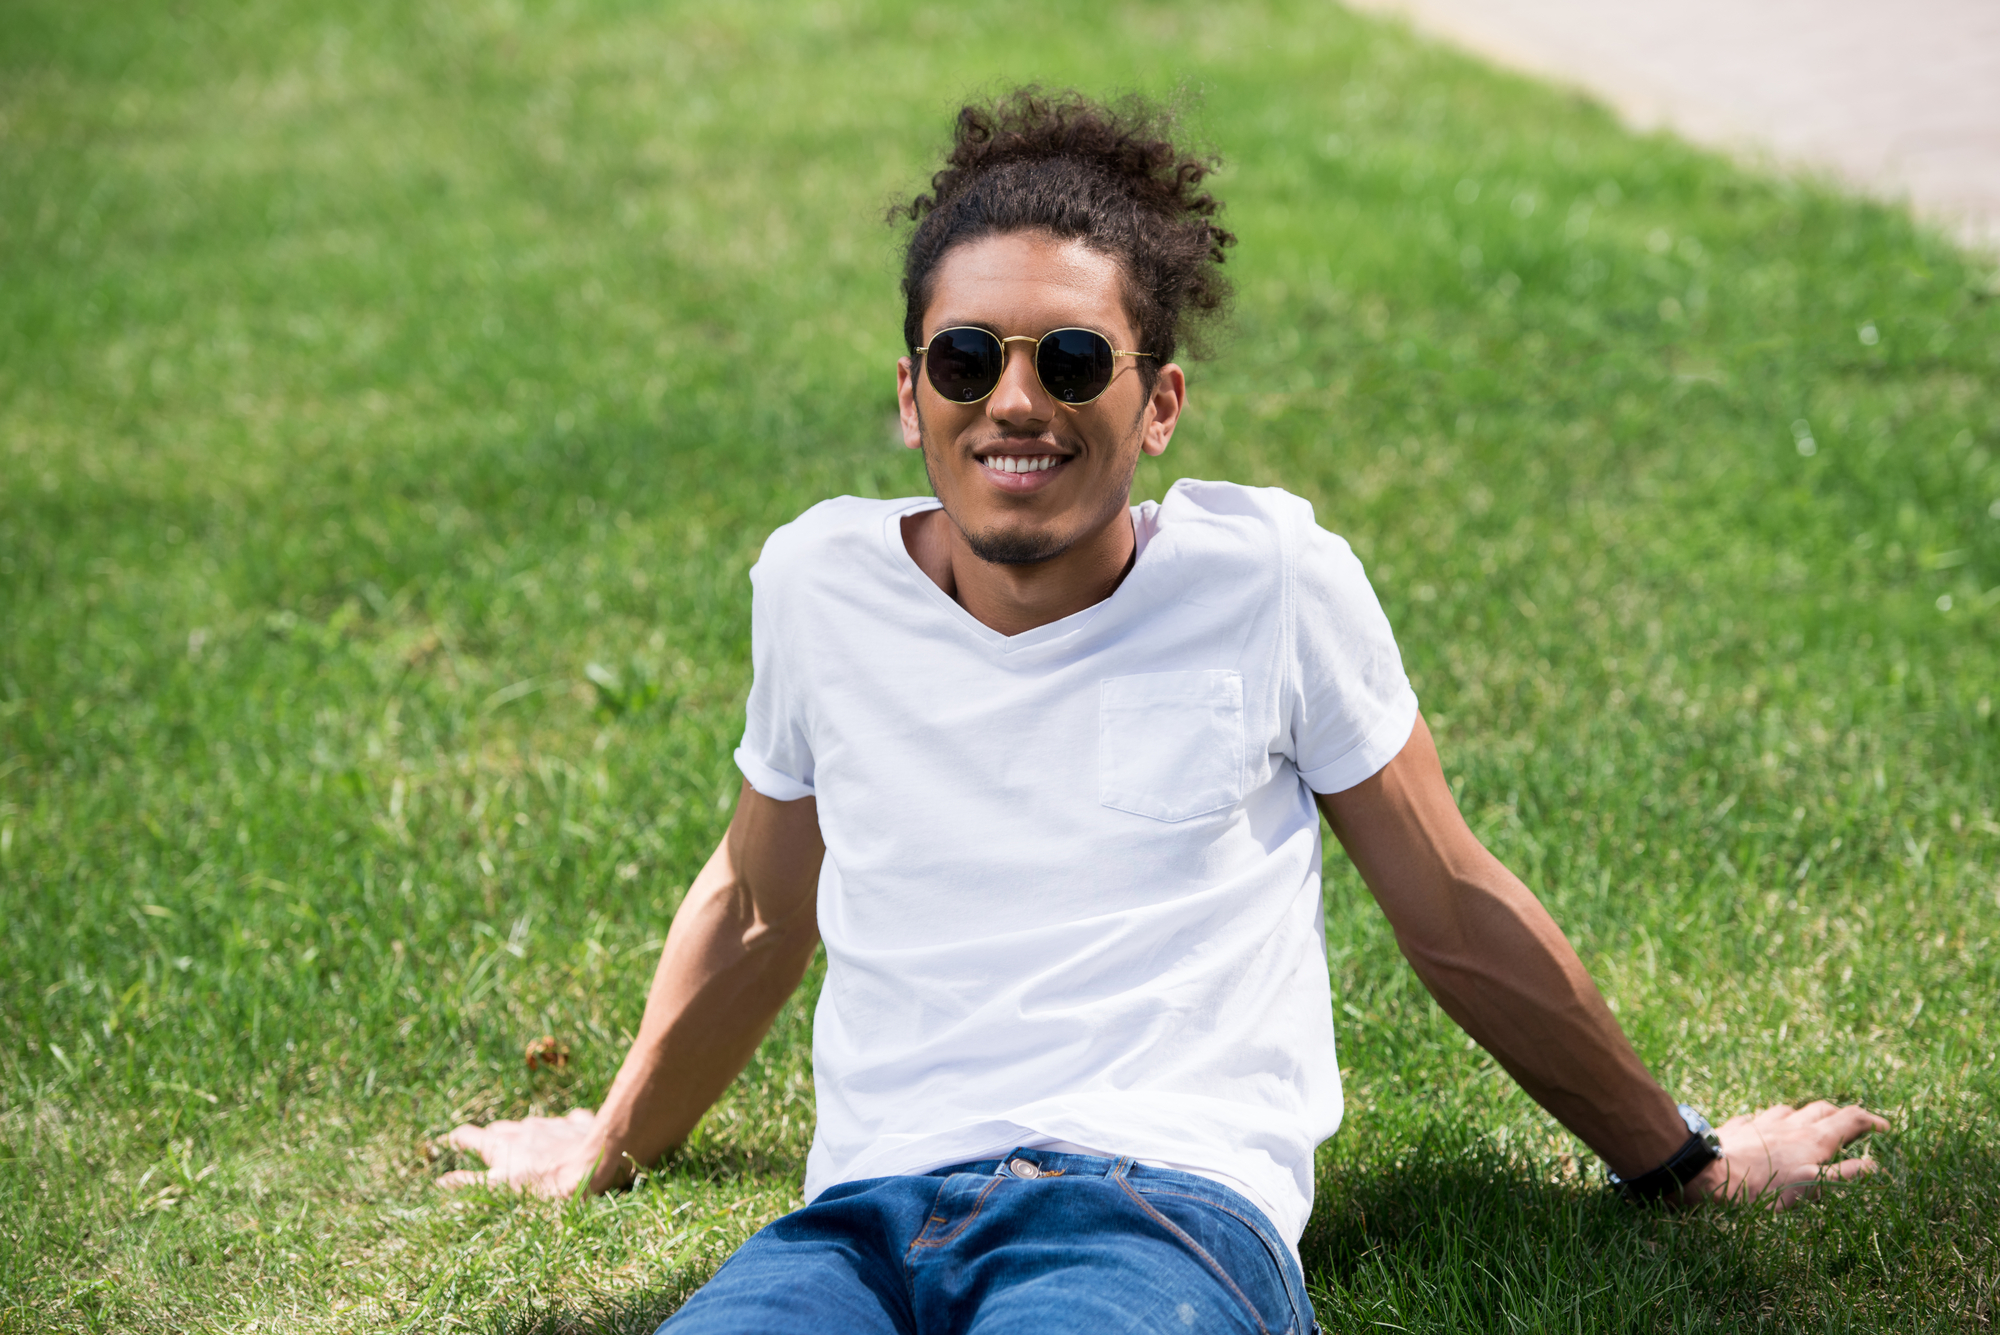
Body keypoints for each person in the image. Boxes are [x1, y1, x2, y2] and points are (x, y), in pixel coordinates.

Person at [440, 90, 1887, 1334]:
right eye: (969, 359)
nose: (1016, 400)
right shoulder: (820, 585)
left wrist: (1686, 1164)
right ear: (908, 395)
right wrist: (616, 1138)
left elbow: (1449, 906)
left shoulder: (1268, 583)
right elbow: (760, 907)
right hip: (861, 1225)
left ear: (1160, 401)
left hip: (1155, 1212)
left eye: (1071, 362)